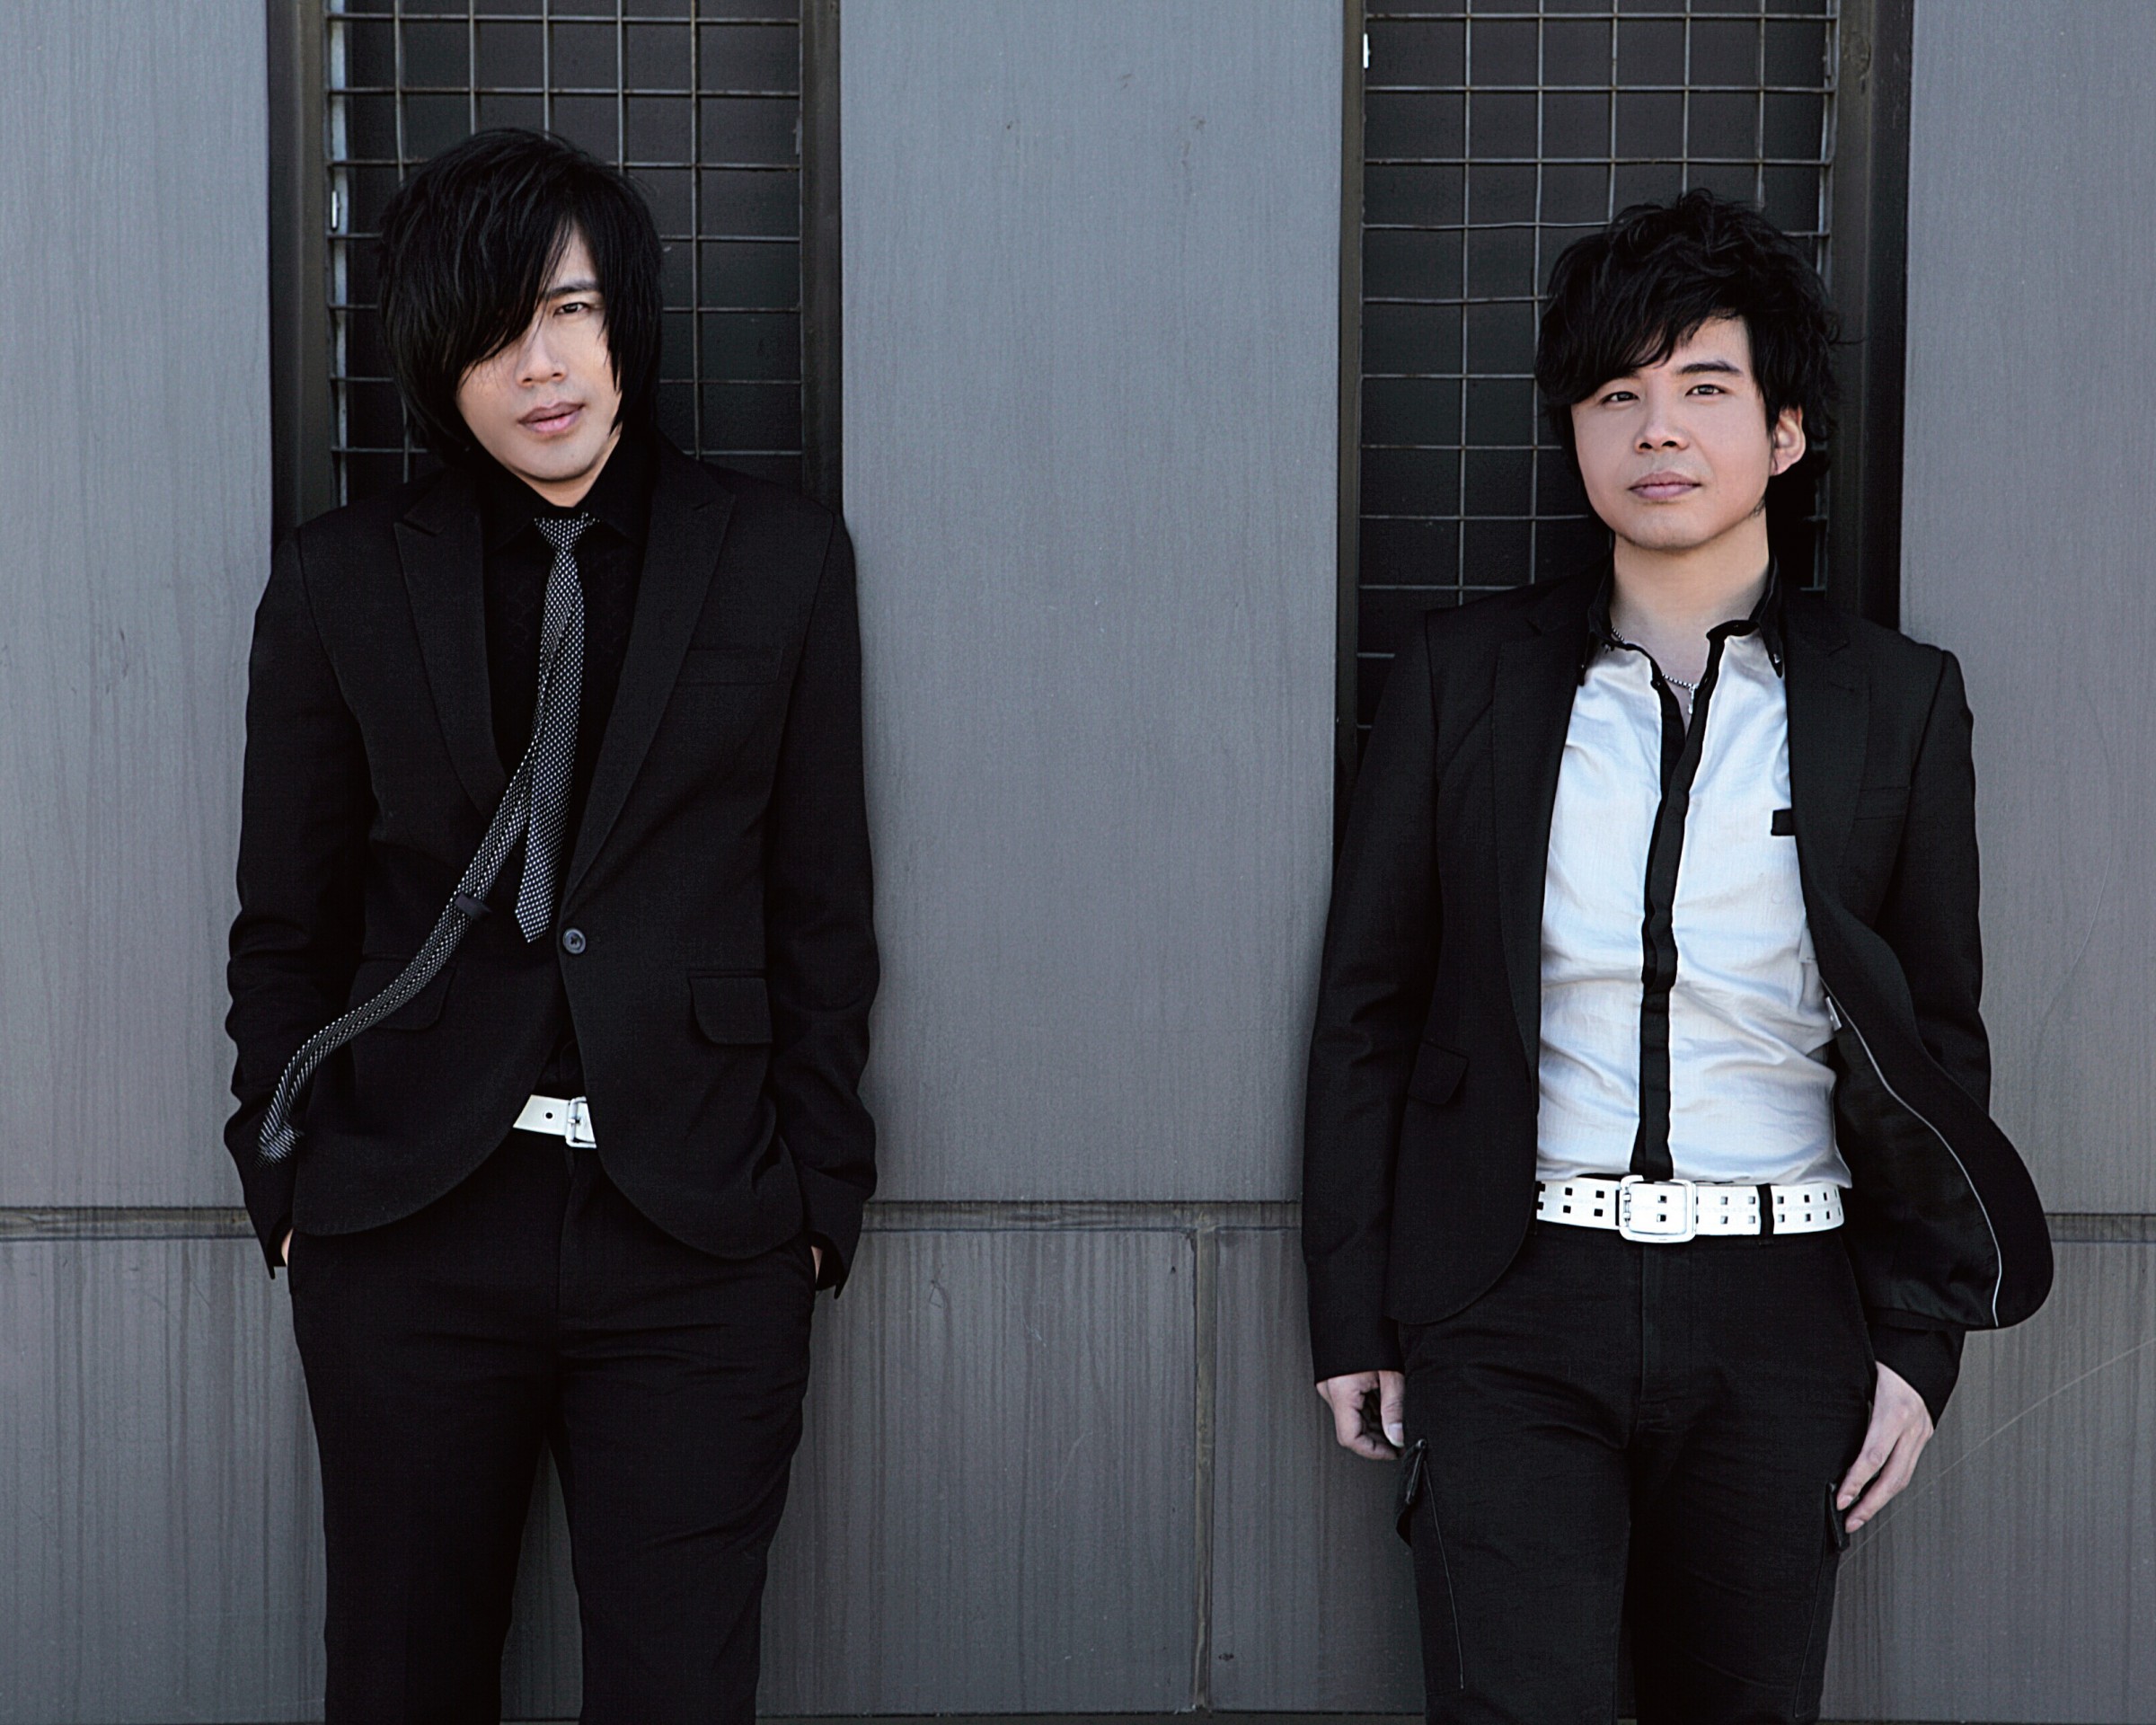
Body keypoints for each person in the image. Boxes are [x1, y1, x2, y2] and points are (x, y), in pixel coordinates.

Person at [1300, 189, 2051, 1721]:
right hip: (1511, 1295)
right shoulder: (1461, 680)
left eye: (1705, 387)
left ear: (1784, 432)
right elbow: (1370, 1012)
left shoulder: (1896, 704)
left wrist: (1919, 1347)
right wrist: (1356, 1312)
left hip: (1786, 1306)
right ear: (1576, 436)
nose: (1657, 429)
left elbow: (1937, 1040)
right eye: (1615, 395)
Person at [224, 129, 876, 1721]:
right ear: (433, 365)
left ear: (624, 318)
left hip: (700, 1231)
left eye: (570, 312)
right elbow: (286, 915)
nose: (541, 366)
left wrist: (813, 1197)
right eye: (493, 333)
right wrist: (283, 1171)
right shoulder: (339, 580)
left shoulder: (779, 559)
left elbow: (820, 906)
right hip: (410, 1224)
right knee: (401, 1680)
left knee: (681, 1691)